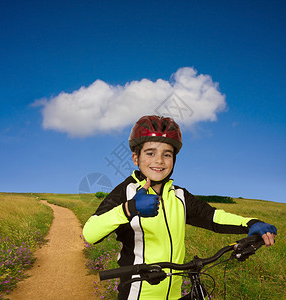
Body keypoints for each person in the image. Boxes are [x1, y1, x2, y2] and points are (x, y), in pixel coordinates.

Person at [83, 115, 277, 300]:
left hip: (174, 293)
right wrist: (129, 209)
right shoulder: (125, 192)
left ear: (174, 160)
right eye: (150, 153)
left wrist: (250, 223)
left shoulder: (179, 196)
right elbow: (90, 233)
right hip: (137, 293)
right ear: (136, 158)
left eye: (167, 154)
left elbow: (212, 216)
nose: (159, 161)